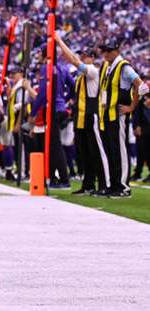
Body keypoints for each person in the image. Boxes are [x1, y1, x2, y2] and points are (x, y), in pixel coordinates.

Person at [53, 33, 107, 195]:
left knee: (96, 152)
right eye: (81, 55)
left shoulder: (92, 70)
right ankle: (88, 184)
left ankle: (104, 184)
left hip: (92, 115)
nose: (82, 58)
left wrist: (59, 41)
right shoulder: (80, 76)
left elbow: (74, 62)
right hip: (81, 116)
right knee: (84, 153)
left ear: (91, 57)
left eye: (85, 56)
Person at [97, 39, 145, 197]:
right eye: (104, 51)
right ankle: (114, 185)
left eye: (108, 51)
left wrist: (132, 106)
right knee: (111, 151)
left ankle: (124, 187)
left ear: (116, 51)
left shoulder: (124, 66)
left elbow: (140, 85)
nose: (105, 54)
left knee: (120, 151)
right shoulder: (108, 67)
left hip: (119, 116)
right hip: (108, 115)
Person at [29, 47, 75, 189]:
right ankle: (54, 178)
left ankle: (63, 179)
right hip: (61, 110)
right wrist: (64, 100)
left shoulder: (45, 68)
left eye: (39, 54)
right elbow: (73, 87)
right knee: (53, 144)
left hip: (52, 110)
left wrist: (33, 113)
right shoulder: (63, 68)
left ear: (45, 55)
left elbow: (42, 94)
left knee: (54, 146)